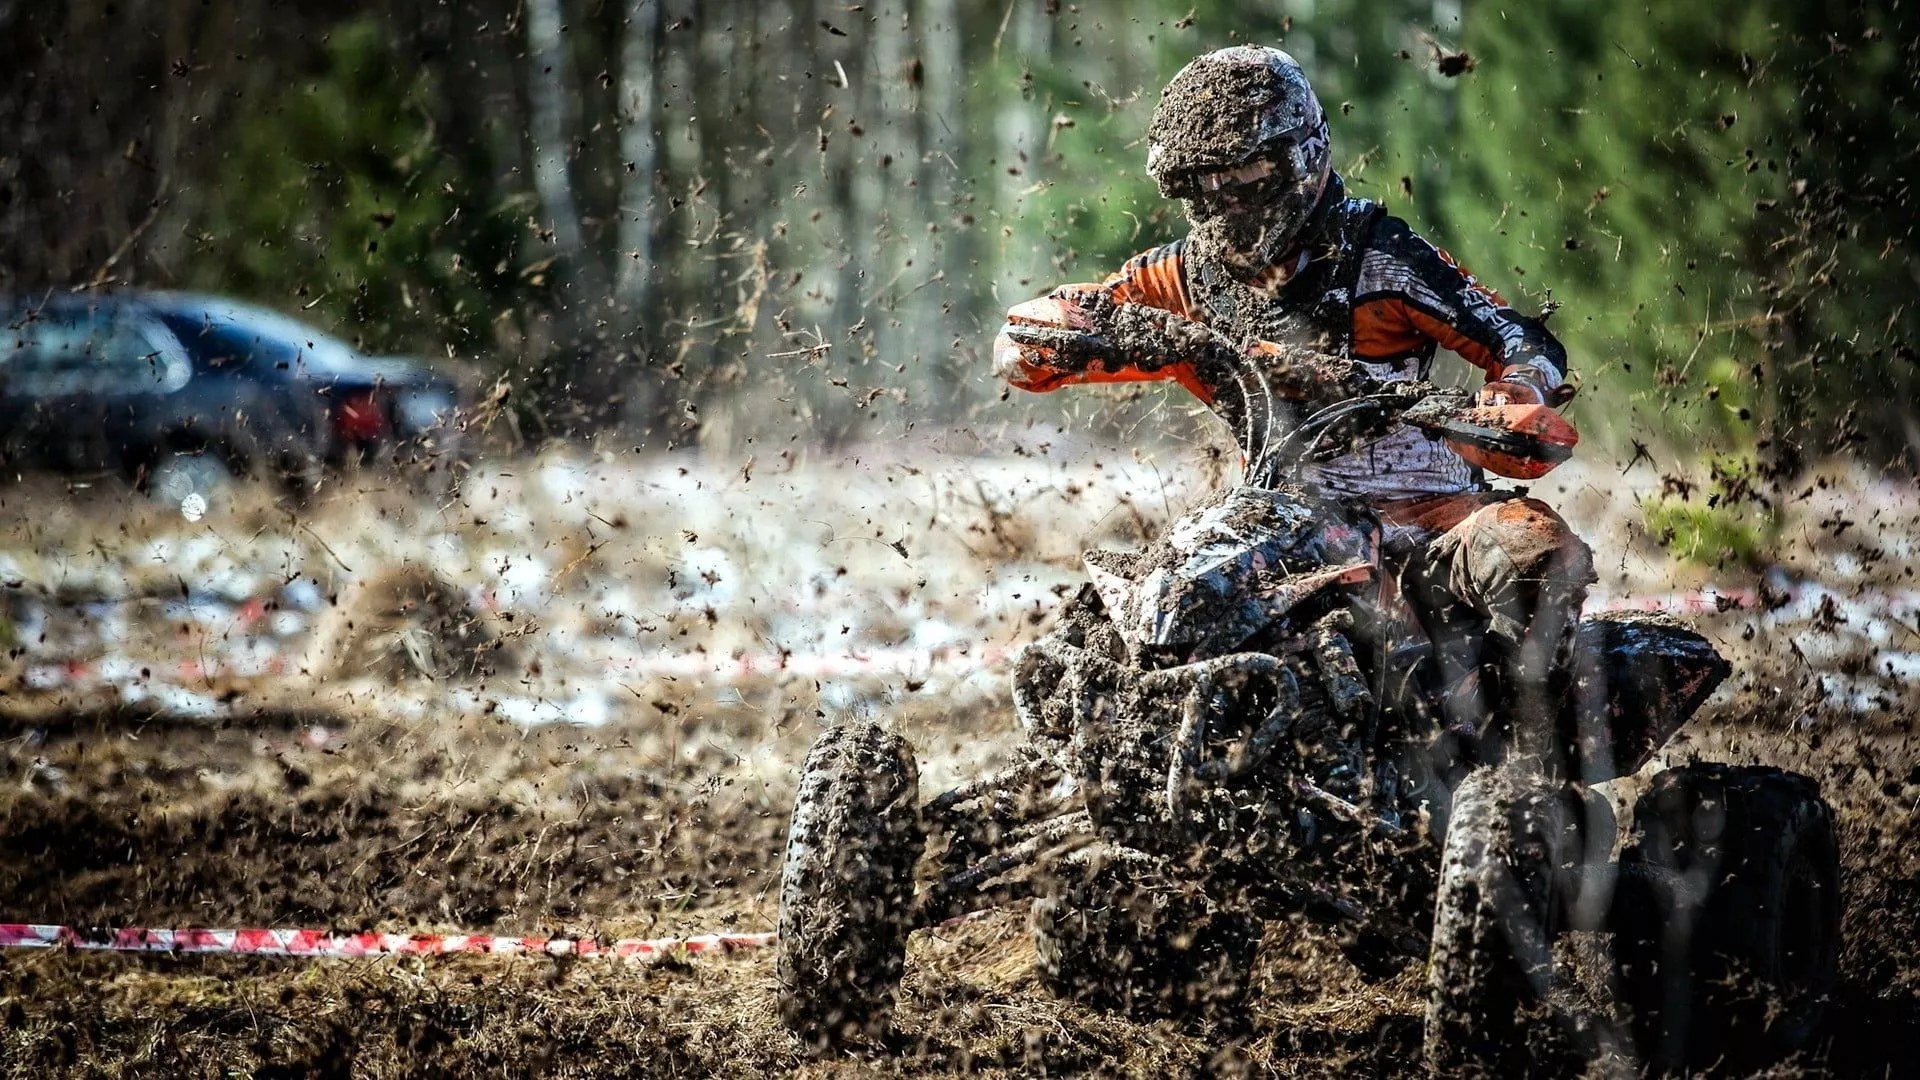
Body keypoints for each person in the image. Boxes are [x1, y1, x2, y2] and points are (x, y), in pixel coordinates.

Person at [992, 45, 1595, 740]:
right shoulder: (1180, 279)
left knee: (1534, 551)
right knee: (1136, 604)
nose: (1225, 205)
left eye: (1244, 179)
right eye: (1202, 188)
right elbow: (1037, 343)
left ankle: (1520, 760)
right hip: (1279, 524)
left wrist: (1513, 394)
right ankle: (1088, 764)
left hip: (1429, 519)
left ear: (1301, 159)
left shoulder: (1381, 256)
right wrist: (1050, 334)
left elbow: (1519, 339)